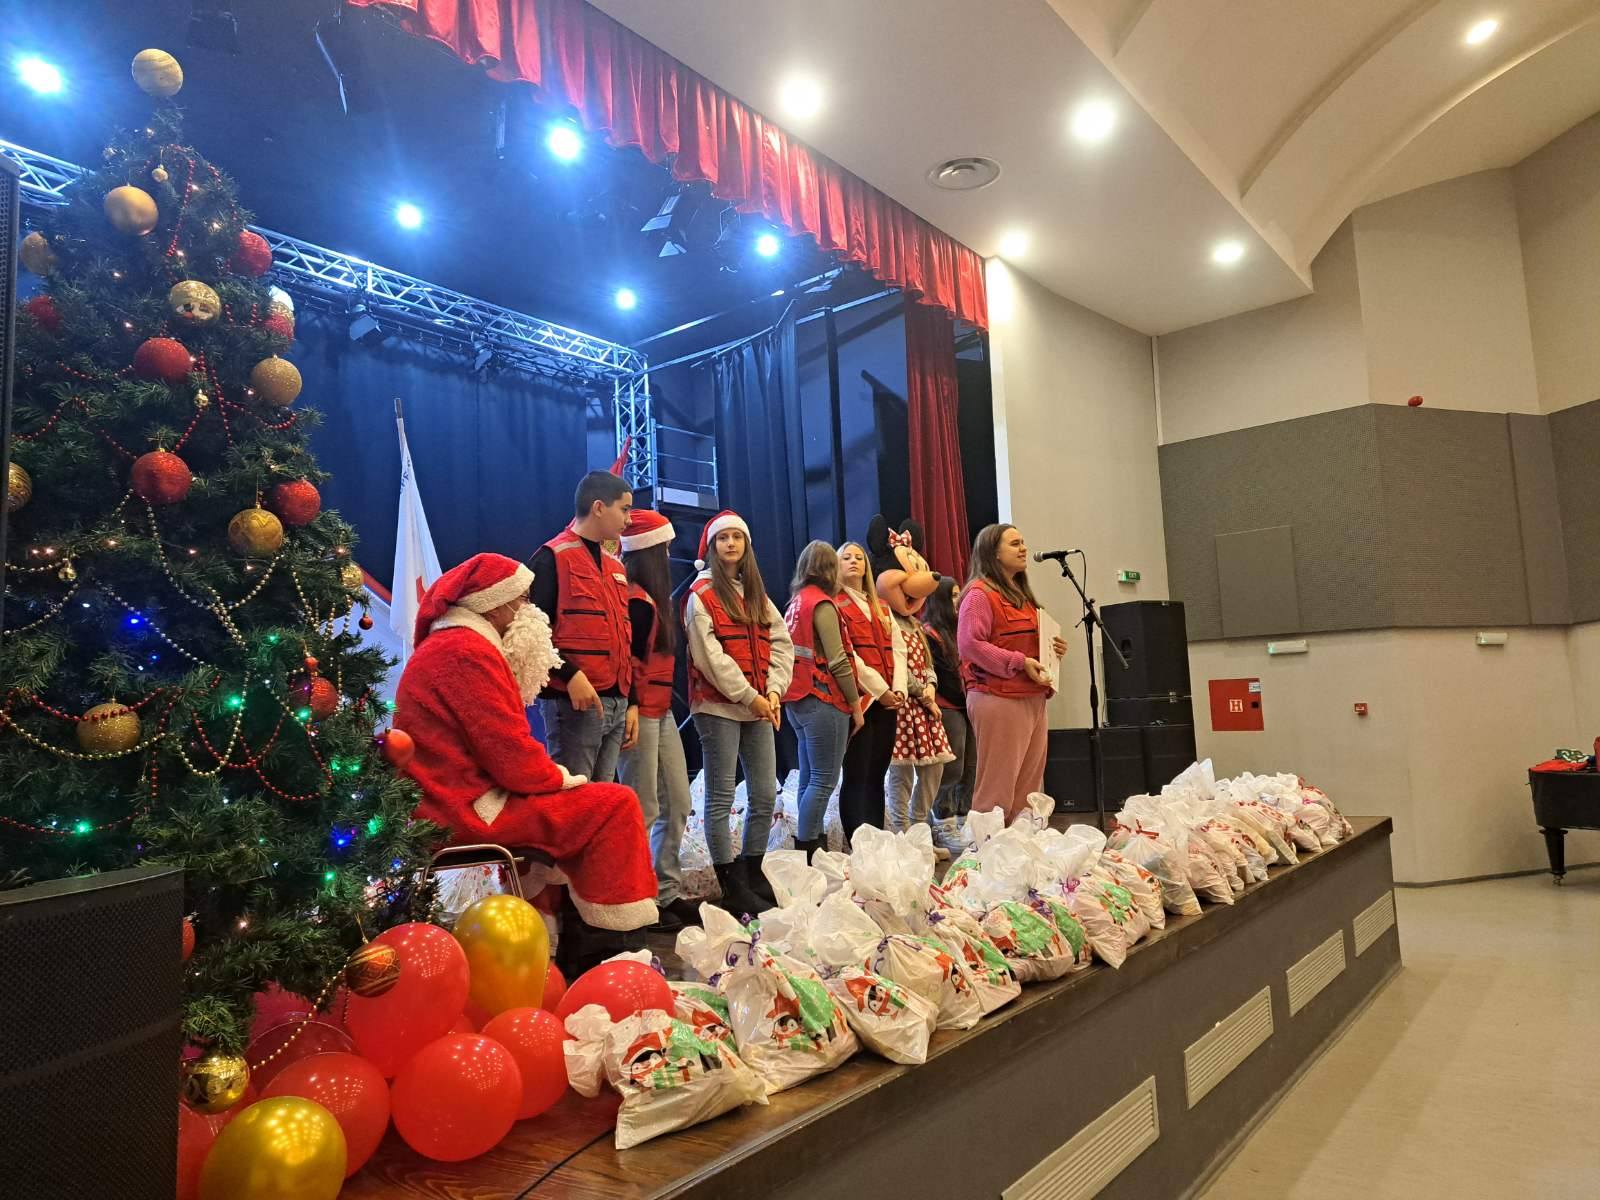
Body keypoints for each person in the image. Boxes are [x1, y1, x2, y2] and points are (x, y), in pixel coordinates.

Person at [393, 554, 659, 949]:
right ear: (494, 605)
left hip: (452, 799)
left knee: (587, 803)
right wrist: (561, 779)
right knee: (614, 804)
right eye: (521, 600)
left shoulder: (455, 646)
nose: (528, 610)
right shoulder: (467, 652)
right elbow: (510, 756)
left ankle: (552, 935)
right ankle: (611, 944)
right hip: (462, 809)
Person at [684, 511, 795, 915]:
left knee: (764, 793)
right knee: (721, 796)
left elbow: (780, 643)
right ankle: (730, 881)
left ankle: (753, 870)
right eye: (723, 538)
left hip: (759, 704)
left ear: (747, 545)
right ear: (712, 546)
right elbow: (710, 657)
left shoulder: (756, 594)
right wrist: (750, 696)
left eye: (737, 537)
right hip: (719, 707)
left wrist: (774, 690)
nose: (730, 544)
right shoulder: (701, 595)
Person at [615, 508, 702, 933]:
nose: (669, 555)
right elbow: (627, 663)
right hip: (640, 714)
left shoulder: (655, 601)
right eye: (664, 548)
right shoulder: (637, 600)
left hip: (661, 711)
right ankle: (633, 899)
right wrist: (632, 707)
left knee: (678, 802)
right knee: (643, 808)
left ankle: (664, 891)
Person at [527, 471, 636, 784]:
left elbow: (624, 638)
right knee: (573, 798)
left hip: (616, 701)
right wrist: (570, 675)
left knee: (602, 799)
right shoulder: (551, 558)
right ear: (599, 507)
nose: (628, 520)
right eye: (624, 509)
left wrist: (632, 701)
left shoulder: (615, 566)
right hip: (573, 702)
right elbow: (530, 634)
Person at [958, 524, 1069, 824]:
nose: (1023, 549)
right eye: (1015, 543)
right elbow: (969, 644)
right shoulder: (979, 595)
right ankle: (987, 847)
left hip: (1032, 697)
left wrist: (1052, 648)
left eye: (1023, 542)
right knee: (997, 787)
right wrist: (1020, 661)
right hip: (997, 697)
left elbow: (1022, 642)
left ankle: (1019, 845)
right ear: (993, 552)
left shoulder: (1022, 596)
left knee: (1028, 790)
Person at [869, 520, 954, 857]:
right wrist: (920, 692)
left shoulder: (916, 625)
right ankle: (901, 834)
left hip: (924, 707)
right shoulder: (883, 621)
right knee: (900, 775)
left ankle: (919, 830)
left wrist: (931, 686)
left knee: (934, 768)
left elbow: (927, 662)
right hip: (901, 704)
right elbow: (894, 665)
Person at [783, 541, 865, 861]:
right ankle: (810, 853)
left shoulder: (796, 603)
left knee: (809, 778)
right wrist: (856, 705)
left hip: (798, 700)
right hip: (823, 699)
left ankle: (810, 850)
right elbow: (839, 661)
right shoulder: (822, 604)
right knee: (822, 780)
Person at [834, 541, 906, 840]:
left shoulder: (882, 607)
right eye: (846, 557)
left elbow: (898, 649)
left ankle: (877, 837)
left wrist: (898, 689)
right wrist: (880, 689)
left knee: (877, 772)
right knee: (857, 771)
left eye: (859, 557)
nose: (854, 561)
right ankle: (857, 840)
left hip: (888, 701)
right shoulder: (835, 604)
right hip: (860, 700)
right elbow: (847, 654)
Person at [923, 575, 975, 857]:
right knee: (952, 767)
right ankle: (942, 820)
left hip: (967, 704)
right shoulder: (930, 633)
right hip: (948, 705)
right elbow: (943, 677)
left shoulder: (961, 630)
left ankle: (964, 817)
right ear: (940, 599)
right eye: (953, 595)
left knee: (971, 766)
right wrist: (968, 698)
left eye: (959, 594)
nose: (959, 600)